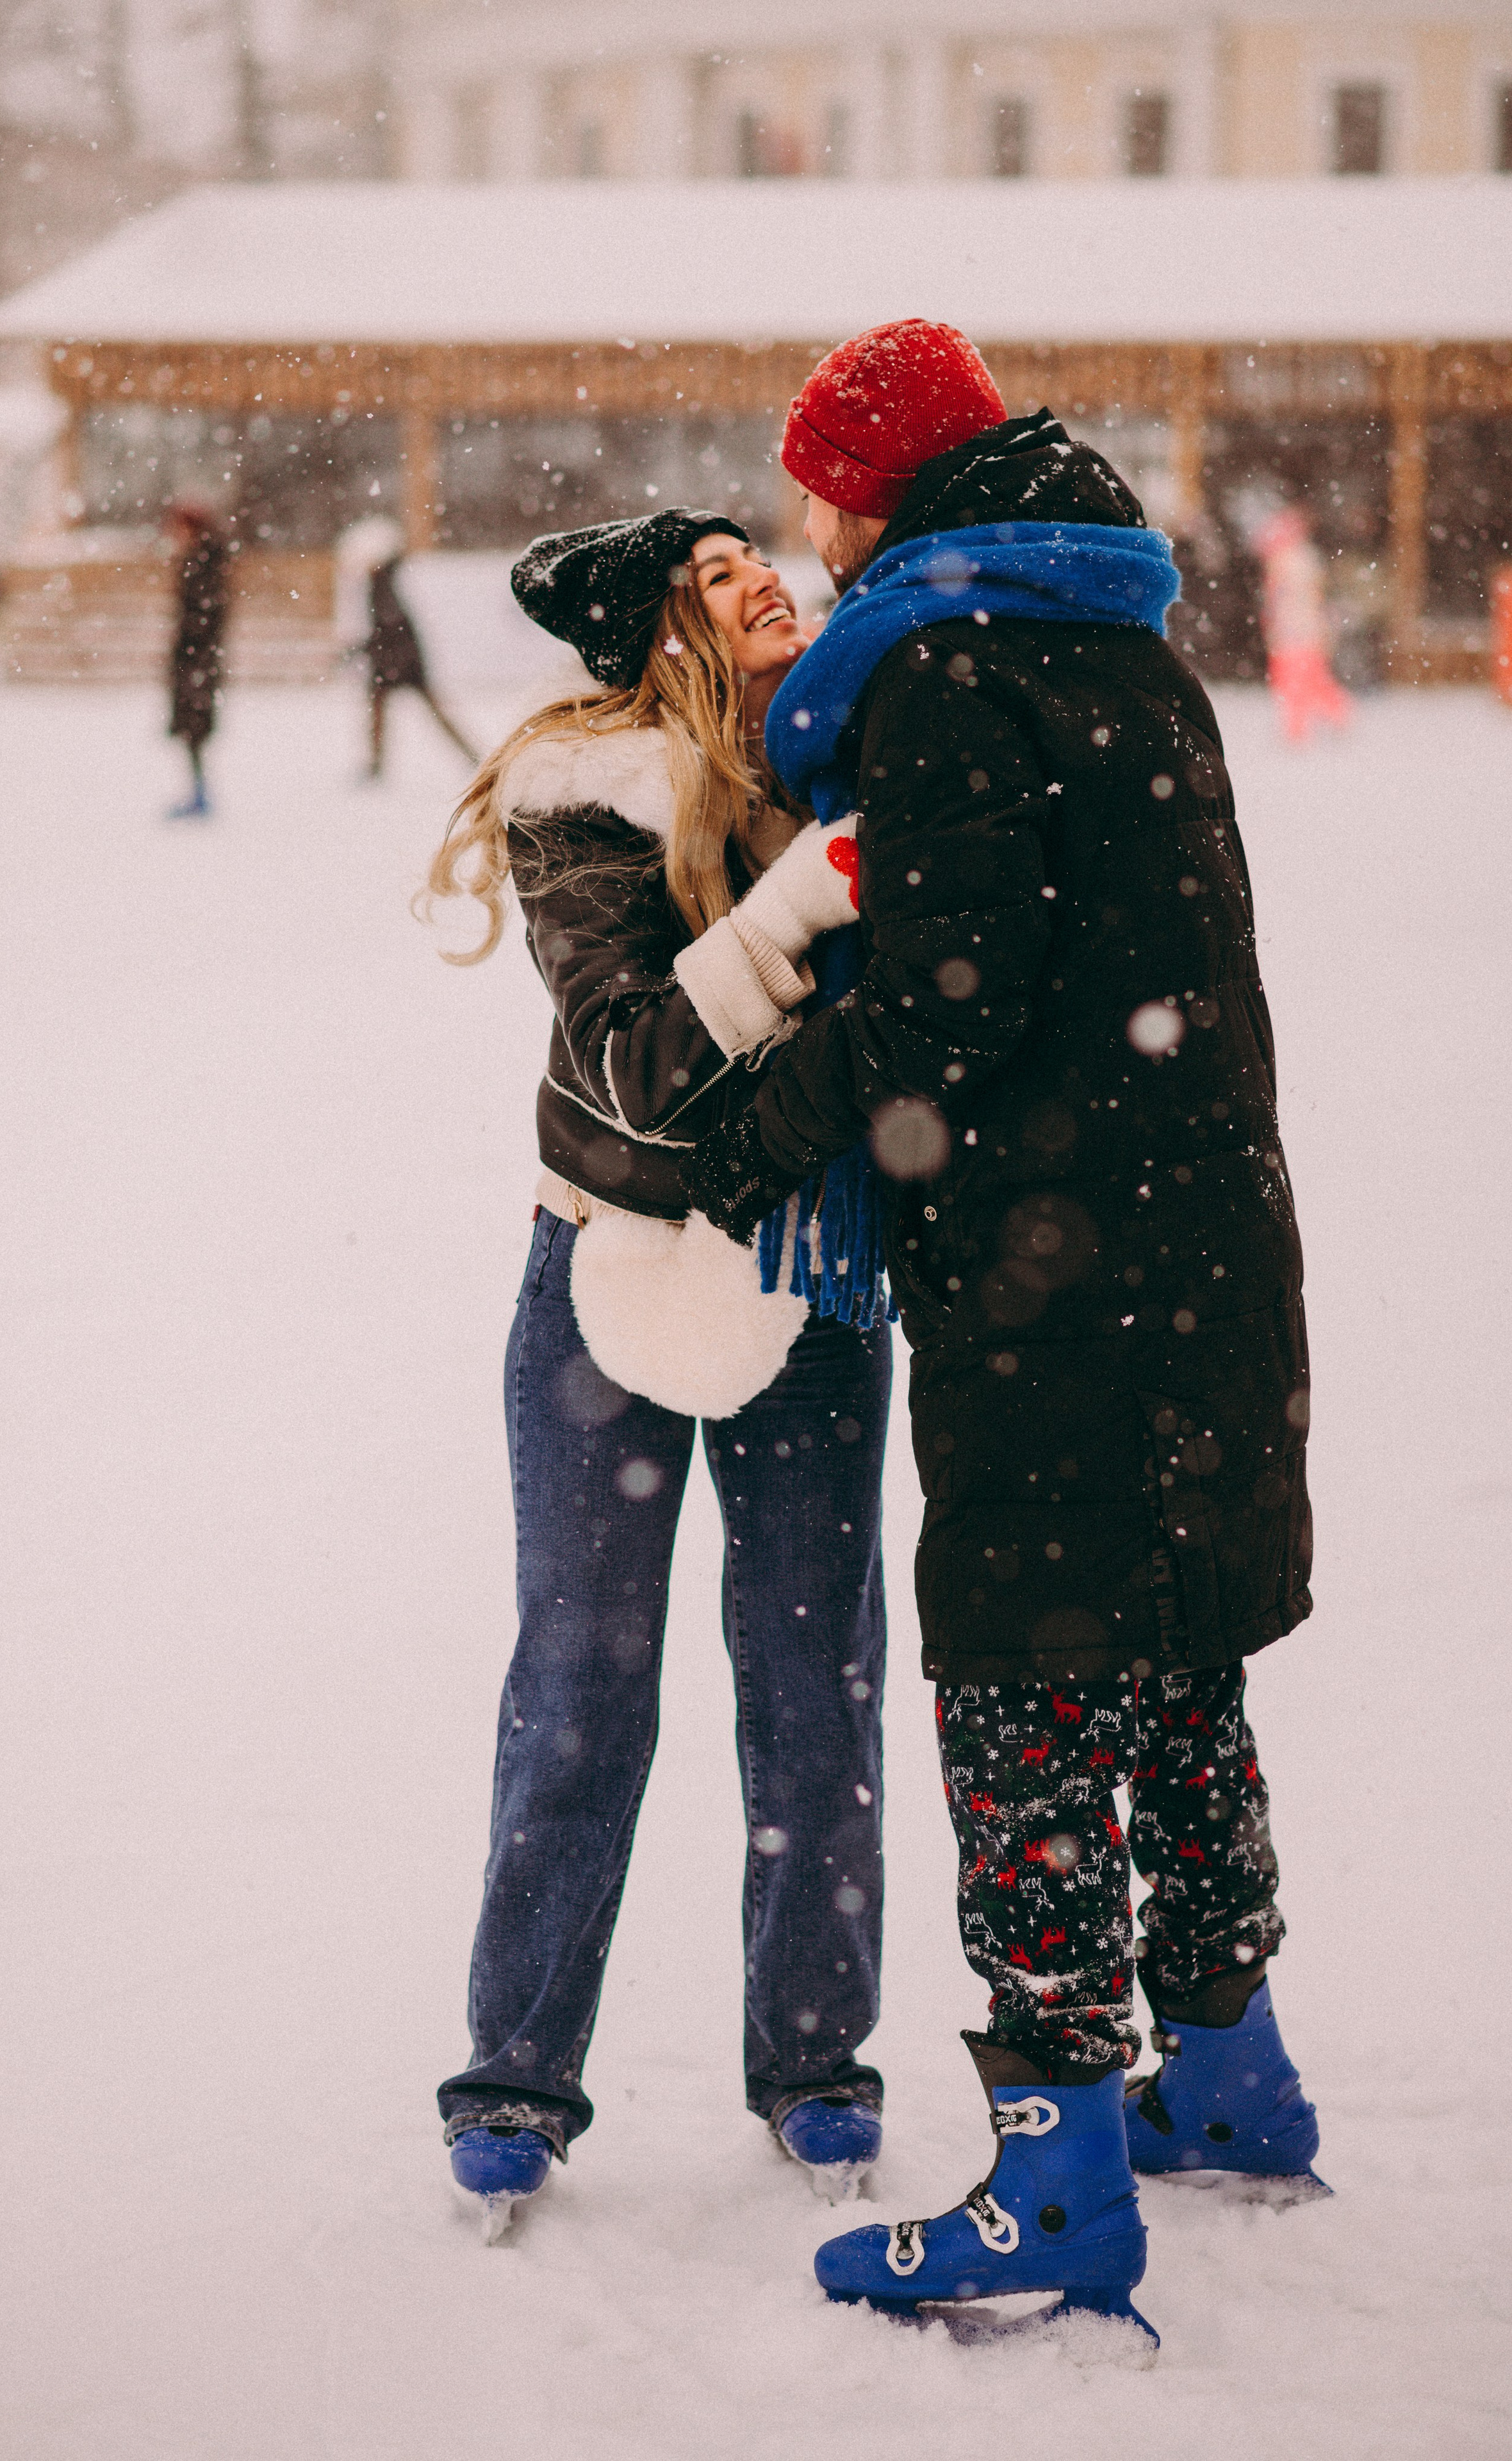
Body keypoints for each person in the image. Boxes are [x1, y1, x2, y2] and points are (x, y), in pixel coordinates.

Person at [684, 322, 1322, 2344]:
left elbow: (946, 1009)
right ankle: (1225, 2068)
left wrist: (752, 1128)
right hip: (1201, 1237)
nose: (802, 523)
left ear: (868, 491)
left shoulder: (947, 671)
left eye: (814, 485)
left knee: (1033, 1686)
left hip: (1060, 1263)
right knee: (1171, 1650)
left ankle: (1054, 2171)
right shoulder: (1119, 645)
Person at [427, 508, 892, 2239]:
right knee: (583, 1678)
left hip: (816, 1270)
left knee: (815, 1678)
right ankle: (517, 2078)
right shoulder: (589, 792)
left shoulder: (863, 751)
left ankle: (819, 2060)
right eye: (715, 572)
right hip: (609, 1268)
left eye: (761, 549)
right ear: (657, 634)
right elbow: (628, 1066)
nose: (764, 572)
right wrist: (802, 895)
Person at [333, 515, 478, 778]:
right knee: (401, 713)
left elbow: (389, 626)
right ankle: (471, 756)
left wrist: (358, 651)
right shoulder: (383, 580)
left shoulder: (381, 583)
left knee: (388, 714)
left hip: (397, 660)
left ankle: (471, 757)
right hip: (397, 659)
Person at [1252, 504, 1353, 742]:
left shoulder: (1293, 560)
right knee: (1308, 680)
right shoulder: (1296, 558)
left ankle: (1302, 728)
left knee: (1297, 681)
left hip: (1297, 632)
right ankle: (1333, 719)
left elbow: (1299, 599)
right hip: (1298, 631)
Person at [163, 501, 229, 816]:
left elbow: (205, 616)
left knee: (195, 729)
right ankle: (197, 791)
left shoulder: (203, 564)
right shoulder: (200, 562)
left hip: (198, 660)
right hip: (195, 660)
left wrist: (192, 651)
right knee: (192, 731)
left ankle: (200, 794)